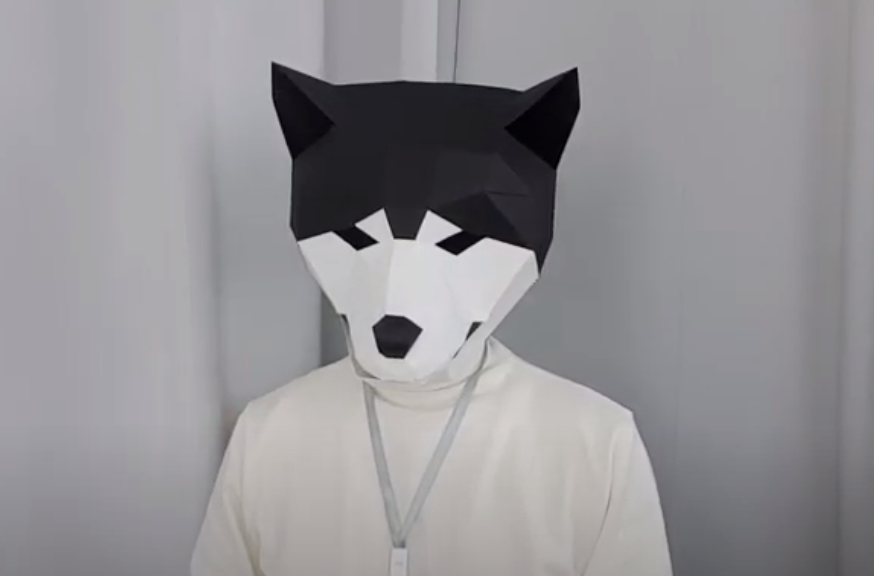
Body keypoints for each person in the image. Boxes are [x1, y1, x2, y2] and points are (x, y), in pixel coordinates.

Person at [190, 63, 673, 576]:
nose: (397, 298)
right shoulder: (267, 436)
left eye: (455, 242)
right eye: (360, 240)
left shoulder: (596, 445)